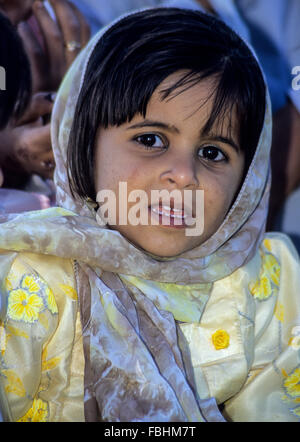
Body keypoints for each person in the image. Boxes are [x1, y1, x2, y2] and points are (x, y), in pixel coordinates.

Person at [0, 7, 300, 422]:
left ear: (248, 179)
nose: (183, 175)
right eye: (151, 139)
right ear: (82, 143)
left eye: (213, 153)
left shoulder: (268, 282)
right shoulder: (26, 276)